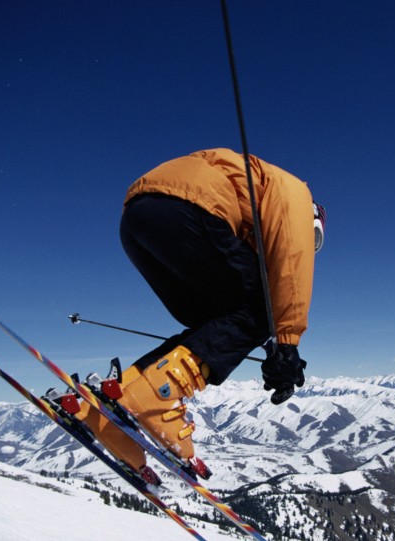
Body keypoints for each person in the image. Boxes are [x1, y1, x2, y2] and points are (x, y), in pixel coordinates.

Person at [81, 148, 325, 477]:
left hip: (138, 217)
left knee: (217, 324)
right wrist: (287, 343)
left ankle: (113, 407)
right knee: (263, 309)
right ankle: (157, 396)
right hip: (191, 207)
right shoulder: (296, 193)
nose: (310, 245)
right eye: (314, 238)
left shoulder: (257, 197)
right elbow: (290, 262)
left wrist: (255, 335)